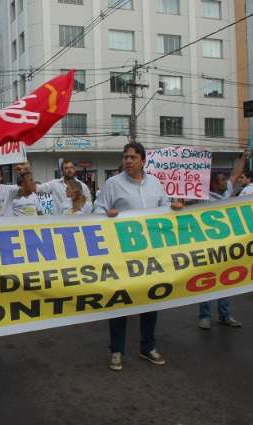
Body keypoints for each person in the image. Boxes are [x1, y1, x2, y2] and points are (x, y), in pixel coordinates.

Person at [94, 142, 183, 372]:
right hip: (122, 255)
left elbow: (164, 207)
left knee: (150, 299)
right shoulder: (113, 184)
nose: (128, 161)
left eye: (133, 157)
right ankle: (116, 351)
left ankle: (148, 346)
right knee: (120, 301)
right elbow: (96, 210)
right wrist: (106, 214)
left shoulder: (155, 183)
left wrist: (173, 207)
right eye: (125, 157)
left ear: (143, 160)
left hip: (151, 254)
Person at [197, 151, 249, 330]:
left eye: (225, 180)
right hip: (207, 248)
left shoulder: (226, 192)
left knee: (226, 281)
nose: (226, 182)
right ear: (213, 184)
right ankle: (204, 316)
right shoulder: (203, 198)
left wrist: (244, 158)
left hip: (225, 247)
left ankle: (225, 315)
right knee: (207, 282)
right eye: (221, 180)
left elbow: (235, 174)